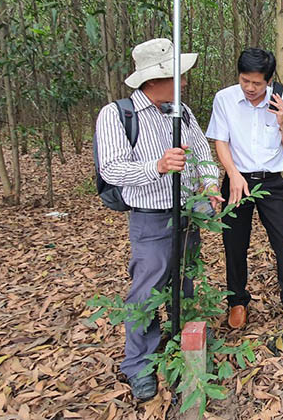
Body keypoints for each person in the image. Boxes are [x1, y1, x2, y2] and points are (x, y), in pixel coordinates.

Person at [94, 38, 222, 402]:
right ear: (154, 80)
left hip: (188, 214)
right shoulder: (117, 115)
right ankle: (138, 365)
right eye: (177, 75)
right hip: (150, 220)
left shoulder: (182, 111)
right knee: (146, 293)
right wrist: (158, 166)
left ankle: (183, 341)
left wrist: (209, 183)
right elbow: (113, 168)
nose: (184, 80)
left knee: (184, 283)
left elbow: (201, 152)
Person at [205, 48, 283, 329]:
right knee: (234, 244)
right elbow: (221, 140)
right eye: (245, 81)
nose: (250, 88)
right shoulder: (225, 99)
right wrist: (233, 174)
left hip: (271, 182)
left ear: (269, 81)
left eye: (257, 83)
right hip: (237, 178)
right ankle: (237, 302)